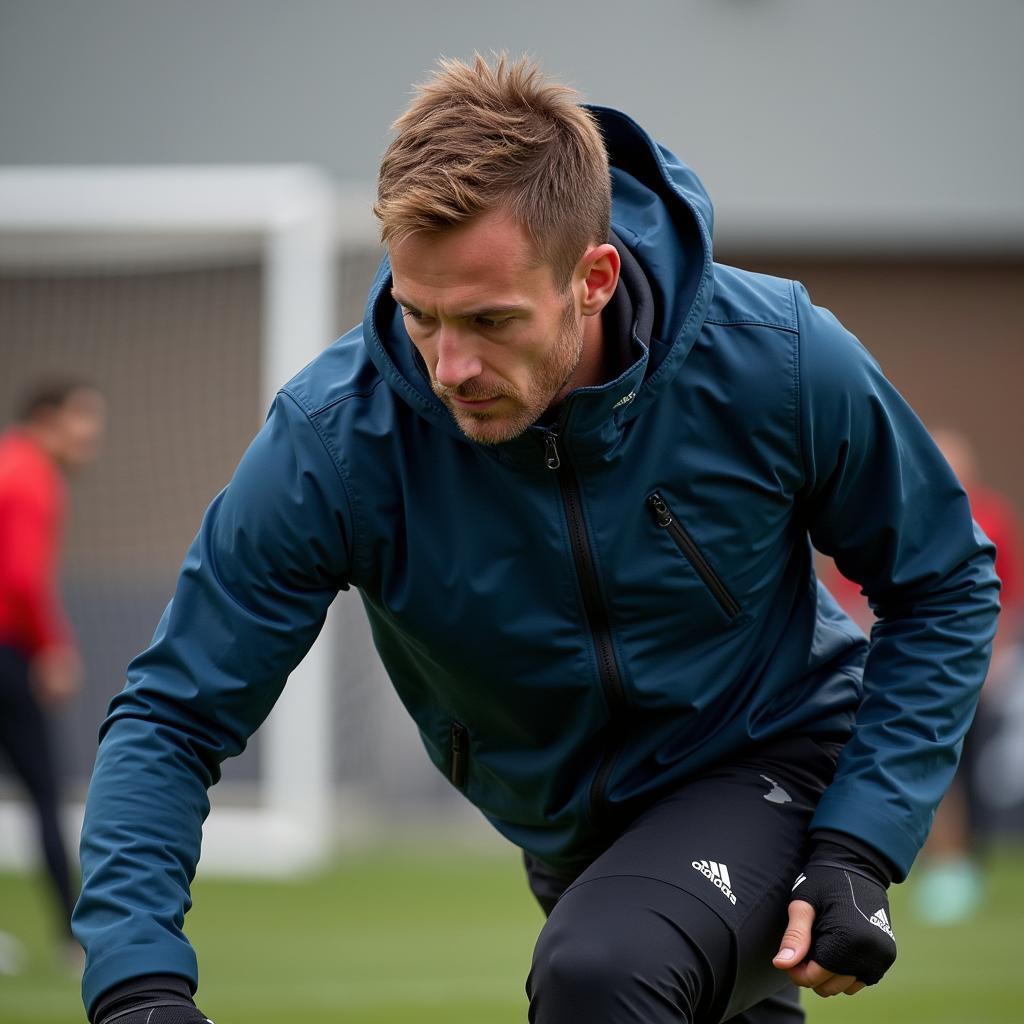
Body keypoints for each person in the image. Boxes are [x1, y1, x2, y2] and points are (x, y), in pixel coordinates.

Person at [72, 56, 1000, 1024]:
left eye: (489, 320)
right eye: (418, 315)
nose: (449, 364)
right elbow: (172, 716)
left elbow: (940, 581)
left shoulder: (779, 360)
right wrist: (138, 987)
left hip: (772, 761)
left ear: (592, 277)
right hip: (572, 836)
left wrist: (858, 841)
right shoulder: (335, 442)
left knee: (602, 972)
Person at [0, 377, 106, 963]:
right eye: (82, 420)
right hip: (7, 652)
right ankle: (74, 937)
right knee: (44, 792)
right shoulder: (33, 477)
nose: (91, 436)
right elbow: (20, 578)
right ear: (47, 419)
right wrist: (53, 648)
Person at [910, 428, 1020, 923]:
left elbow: (1008, 597)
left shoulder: (993, 517)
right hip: (925, 667)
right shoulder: (907, 510)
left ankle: (967, 864)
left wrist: (998, 659)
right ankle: (944, 866)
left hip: (981, 667)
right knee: (936, 763)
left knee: (974, 766)